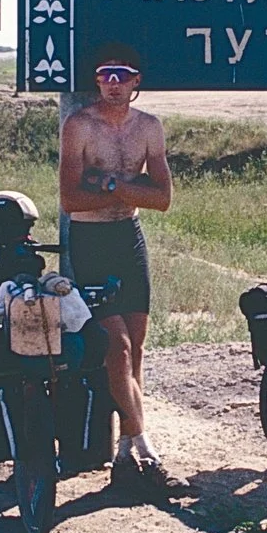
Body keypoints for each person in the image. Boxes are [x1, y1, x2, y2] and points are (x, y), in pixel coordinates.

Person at [60, 43, 193, 503]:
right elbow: (71, 200)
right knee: (113, 348)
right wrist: (132, 191)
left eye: (122, 75)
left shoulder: (149, 128)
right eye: (104, 75)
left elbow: (163, 198)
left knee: (135, 350)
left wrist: (113, 184)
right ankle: (150, 454)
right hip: (91, 241)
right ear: (96, 81)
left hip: (129, 242)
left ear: (136, 81)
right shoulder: (79, 126)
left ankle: (123, 456)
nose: (112, 82)